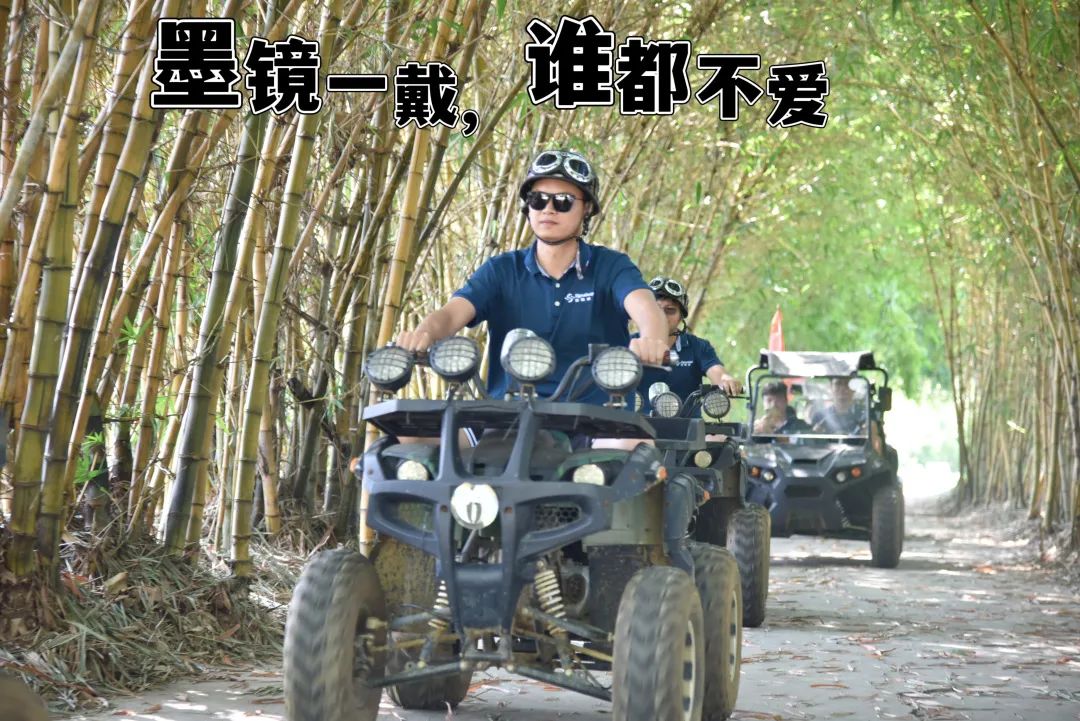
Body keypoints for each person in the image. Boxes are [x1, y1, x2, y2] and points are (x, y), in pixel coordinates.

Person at [395, 149, 669, 406]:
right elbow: (451, 314)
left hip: (597, 417)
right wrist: (424, 334)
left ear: (586, 209)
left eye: (563, 201)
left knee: (635, 441)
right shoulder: (502, 270)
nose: (548, 209)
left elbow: (646, 307)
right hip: (507, 414)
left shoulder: (611, 266)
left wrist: (652, 339)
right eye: (538, 200)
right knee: (414, 436)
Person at [635, 276, 742, 412]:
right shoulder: (629, 343)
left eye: (670, 310)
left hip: (687, 424)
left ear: (681, 317)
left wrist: (725, 380)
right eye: (656, 309)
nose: (662, 315)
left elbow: (717, 372)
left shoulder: (698, 347)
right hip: (634, 423)